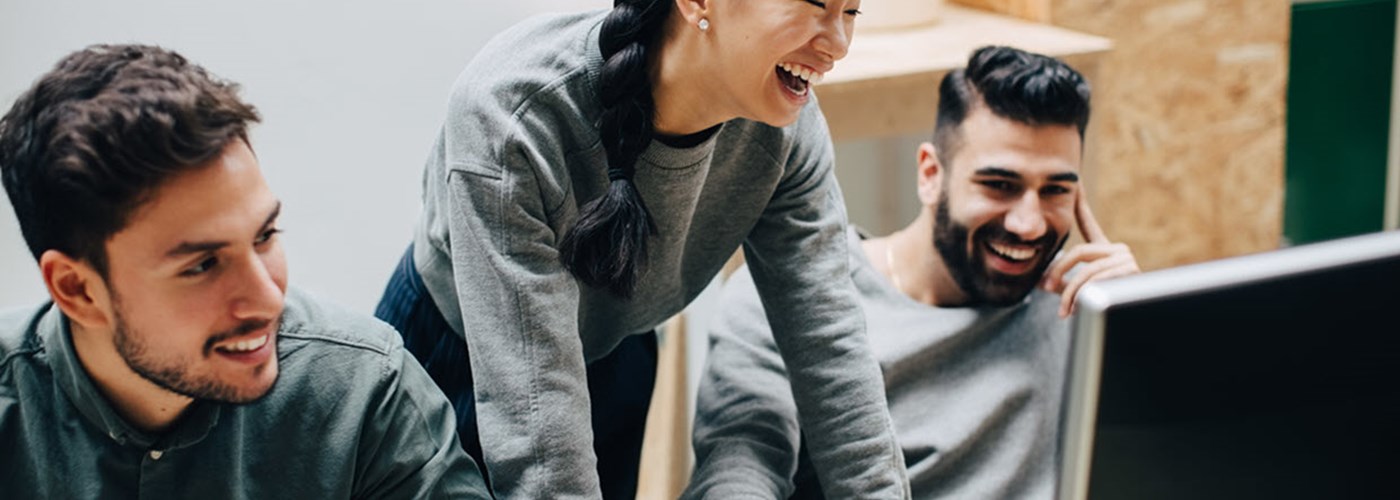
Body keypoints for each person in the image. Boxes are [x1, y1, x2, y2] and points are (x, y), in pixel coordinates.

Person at [373, 0, 909, 498]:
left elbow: (832, 352)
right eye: (815, 4)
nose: (839, 43)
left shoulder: (789, 136)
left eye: (852, 10)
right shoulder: (512, 115)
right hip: (450, 364)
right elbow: (539, 440)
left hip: (615, 355)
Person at [0, 44, 490, 499]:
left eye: (265, 235)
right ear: (78, 290)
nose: (267, 299)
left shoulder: (364, 393)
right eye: (203, 265)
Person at [685, 45, 1141, 499]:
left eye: (1055, 191)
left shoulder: (1081, 307)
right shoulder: (786, 289)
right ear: (930, 174)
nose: (1029, 224)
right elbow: (742, 463)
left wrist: (1144, 338)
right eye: (1000, 185)